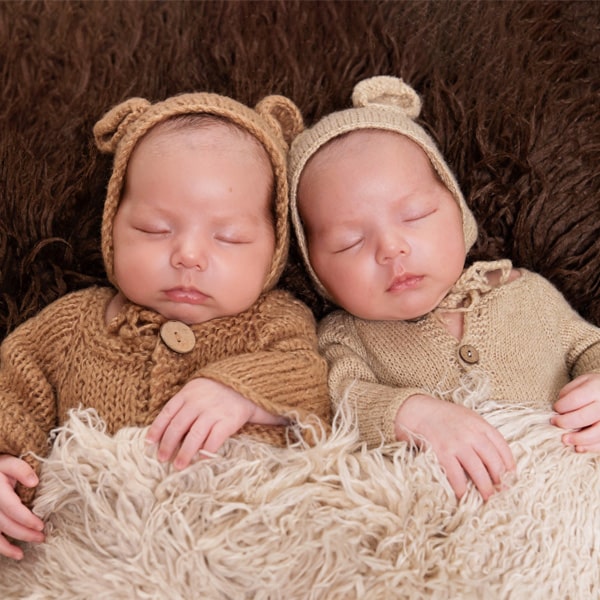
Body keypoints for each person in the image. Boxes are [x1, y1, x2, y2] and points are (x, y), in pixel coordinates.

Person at [0, 91, 330, 560]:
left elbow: (315, 388)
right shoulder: (70, 325)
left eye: (230, 237)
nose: (189, 256)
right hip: (96, 558)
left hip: (241, 555)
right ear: (112, 226)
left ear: (275, 249)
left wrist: (242, 393)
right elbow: (13, 392)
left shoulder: (276, 322)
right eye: (155, 229)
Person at [287, 75, 600, 503]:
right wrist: (412, 414)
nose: (390, 248)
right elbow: (337, 398)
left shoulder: (525, 293)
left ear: (459, 213)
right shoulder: (345, 337)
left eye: (414, 215)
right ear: (316, 271)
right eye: (349, 242)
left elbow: (587, 346)